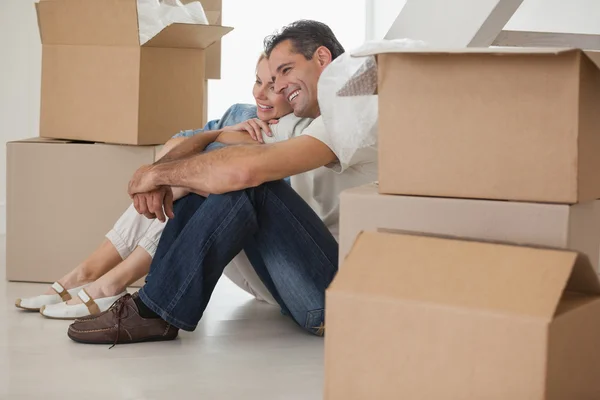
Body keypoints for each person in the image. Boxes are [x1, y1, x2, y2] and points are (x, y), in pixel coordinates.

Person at [66, 19, 378, 345]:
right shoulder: (297, 122)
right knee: (216, 168)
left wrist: (156, 175)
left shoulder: (353, 109)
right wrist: (186, 158)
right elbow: (197, 150)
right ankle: (149, 302)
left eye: (286, 71)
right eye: (270, 79)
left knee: (246, 181)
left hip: (337, 297)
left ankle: (152, 309)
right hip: (295, 287)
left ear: (322, 59)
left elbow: (245, 172)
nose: (279, 86)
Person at [15, 53, 310, 319]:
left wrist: (177, 173)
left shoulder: (296, 135)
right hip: (234, 260)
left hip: (270, 267)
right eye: (257, 81)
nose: (261, 93)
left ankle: (111, 280)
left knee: (199, 177)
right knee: (182, 172)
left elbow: (247, 197)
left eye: (273, 86)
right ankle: (88, 274)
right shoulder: (240, 114)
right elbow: (170, 149)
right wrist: (217, 135)